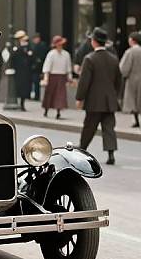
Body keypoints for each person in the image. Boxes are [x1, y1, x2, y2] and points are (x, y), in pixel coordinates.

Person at [76, 27, 122, 165]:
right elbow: (118, 80)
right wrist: (115, 95)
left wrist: (79, 98)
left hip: (94, 100)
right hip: (109, 100)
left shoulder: (89, 59)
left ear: (94, 42)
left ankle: (82, 149)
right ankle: (111, 154)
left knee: (89, 126)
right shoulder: (113, 58)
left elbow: (84, 81)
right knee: (109, 127)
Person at [41, 35, 73, 119]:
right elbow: (47, 66)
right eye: (59, 44)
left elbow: (68, 67)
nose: (60, 46)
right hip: (52, 77)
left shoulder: (66, 54)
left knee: (60, 95)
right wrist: (46, 77)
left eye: (61, 44)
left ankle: (58, 112)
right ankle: (46, 110)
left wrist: (69, 76)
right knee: (49, 94)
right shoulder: (51, 54)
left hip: (62, 77)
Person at [119, 31, 141, 128]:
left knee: (133, 102)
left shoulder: (130, 52)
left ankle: (136, 121)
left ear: (132, 40)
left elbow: (123, 68)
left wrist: (123, 75)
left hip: (133, 79)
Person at [11, 30, 33, 111]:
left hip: (26, 71)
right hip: (18, 70)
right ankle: (18, 102)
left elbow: (31, 57)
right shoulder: (16, 47)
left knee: (24, 87)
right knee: (18, 86)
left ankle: (22, 103)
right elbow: (13, 58)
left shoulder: (28, 47)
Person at [31, 33, 48, 101]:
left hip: (38, 67)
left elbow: (41, 57)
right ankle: (36, 95)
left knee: (37, 82)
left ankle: (37, 96)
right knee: (36, 82)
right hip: (36, 67)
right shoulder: (35, 46)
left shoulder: (41, 46)